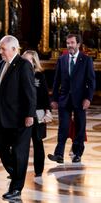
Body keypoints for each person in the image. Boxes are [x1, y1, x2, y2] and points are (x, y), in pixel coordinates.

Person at [0, 35, 36, 200]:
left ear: (14, 49)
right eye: (0, 48)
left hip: (20, 118)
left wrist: (30, 114)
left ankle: (16, 187)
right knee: (1, 148)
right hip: (3, 117)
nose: (0, 52)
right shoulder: (1, 64)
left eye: (3, 49)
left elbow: (30, 92)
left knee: (19, 153)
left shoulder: (24, 65)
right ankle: (17, 173)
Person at [48, 34, 96, 164]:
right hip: (64, 99)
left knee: (80, 127)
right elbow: (56, 81)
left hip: (80, 100)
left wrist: (88, 98)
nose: (69, 45)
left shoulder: (86, 60)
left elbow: (91, 82)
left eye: (72, 43)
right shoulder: (62, 59)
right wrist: (53, 99)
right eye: (68, 43)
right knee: (63, 127)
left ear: (78, 44)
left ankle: (77, 153)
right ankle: (59, 154)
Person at [22, 50, 52, 177]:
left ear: (34, 62)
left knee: (38, 141)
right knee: (21, 143)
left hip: (39, 111)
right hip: (23, 112)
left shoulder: (39, 76)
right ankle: (17, 170)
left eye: (27, 59)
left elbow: (45, 95)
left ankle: (38, 170)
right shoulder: (19, 74)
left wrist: (48, 111)